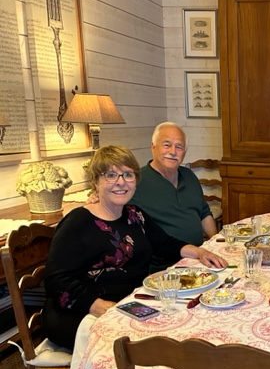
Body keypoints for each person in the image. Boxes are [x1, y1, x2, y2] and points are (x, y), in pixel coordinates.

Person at [44, 146, 227, 349]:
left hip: (129, 302)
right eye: (111, 175)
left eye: (128, 175)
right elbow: (55, 280)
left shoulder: (134, 214)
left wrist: (201, 252)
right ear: (96, 181)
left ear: (136, 181)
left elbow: (165, 243)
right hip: (79, 310)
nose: (121, 182)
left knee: (183, 325)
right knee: (152, 347)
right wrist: (98, 306)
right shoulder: (78, 221)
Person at [129, 121, 218, 271]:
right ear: (153, 147)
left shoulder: (189, 176)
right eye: (166, 145)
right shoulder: (135, 181)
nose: (173, 151)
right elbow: (112, 204)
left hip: (198, 257)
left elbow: (204, 213)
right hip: (164, 266)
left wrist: (215, 244)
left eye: (179, 147)